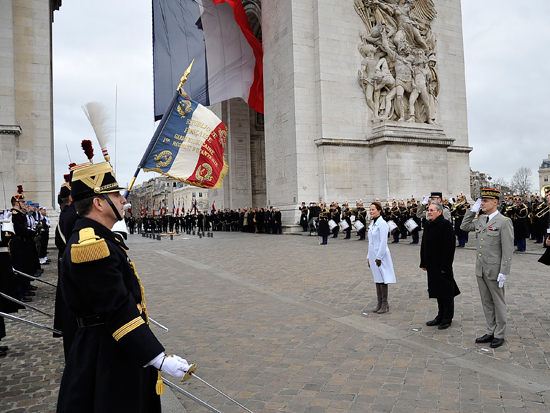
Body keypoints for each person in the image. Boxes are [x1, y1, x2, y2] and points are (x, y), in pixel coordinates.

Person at [57, 161, 191, 412]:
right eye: (115, 194)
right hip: (106, 353)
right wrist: (157, 357)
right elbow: (115, 307)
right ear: (98, 203)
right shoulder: (91, 246)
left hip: (112, 345)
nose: (123, 200)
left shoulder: (100, 238)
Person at [460, 187, 513, 349]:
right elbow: (464, 226)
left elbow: (508, 250)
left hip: (495, 270)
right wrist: (472, 210)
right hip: (481, 269)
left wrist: (504, 271)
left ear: (495, 202)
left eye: (485, 201)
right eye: (481, 201)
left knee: (498, 302)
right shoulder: (481, 220)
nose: (482, 203)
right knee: (486, 302)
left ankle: (499, 334)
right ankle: (490, 330)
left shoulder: (504, 222)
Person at [420, 202, 460, 329]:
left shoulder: (445, 225)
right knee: (437, 290)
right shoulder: (428, 224)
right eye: (428, 210)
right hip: (431, 264)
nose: (429, 212)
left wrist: (445, 266)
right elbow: (424, 244)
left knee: (446, 291)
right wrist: (423, 261)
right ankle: (440, 315)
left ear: (439, 212)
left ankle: (447, 318)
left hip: (442, 265)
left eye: (432, 210)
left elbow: (449, 247)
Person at [366, 201, 396, 314]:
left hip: (381, 255)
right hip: (373, 254)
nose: (371, 211)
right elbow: (370, 242)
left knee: (383, 278)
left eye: (373, 209)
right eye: (370, 209)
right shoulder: (372, 224)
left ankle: (384, 303)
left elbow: (383, 241)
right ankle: (379, 302)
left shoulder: (382, 224)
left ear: (379, 210)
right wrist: (369, 257)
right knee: (377, 278)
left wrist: (379, 257)